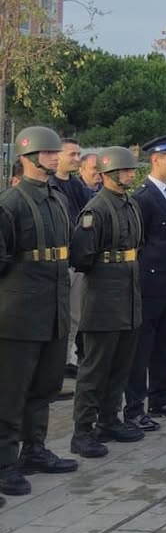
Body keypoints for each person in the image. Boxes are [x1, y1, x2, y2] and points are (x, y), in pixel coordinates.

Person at [0, 126, 78, 498]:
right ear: (30, 157)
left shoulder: (58, 199)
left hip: (53, 309)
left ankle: (35, 450)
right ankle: (4, 462)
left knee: (46, 385)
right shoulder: (10, 203)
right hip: (19, 313)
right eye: (50, 153)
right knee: (11, 392)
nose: (56, 157)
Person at [68, 146, 146, 457]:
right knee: (94, 370)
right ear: (110, 172)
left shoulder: (129, 204)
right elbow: (82, 256)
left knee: (120, 366)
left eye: (131, 169)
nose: (131, 173)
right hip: (102, 300)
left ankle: (109, 420)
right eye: (126, 170)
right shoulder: (95, 210)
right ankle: (82, 431)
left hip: (128, 297)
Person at [125, 134, 166, 430]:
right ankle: (135, 407)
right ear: (155, 160)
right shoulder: (143, 198)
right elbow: (138, 245)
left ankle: (160, 396)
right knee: (142, 349)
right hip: (150, 286)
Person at [56, 138, 91, 377]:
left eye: (78, 154)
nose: (76, 159)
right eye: (72, 154)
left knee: (75, 315)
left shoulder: (78, 187)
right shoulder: (49, 184)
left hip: (75, 261)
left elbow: (87, 218)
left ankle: (68, 359)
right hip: (56, 263)